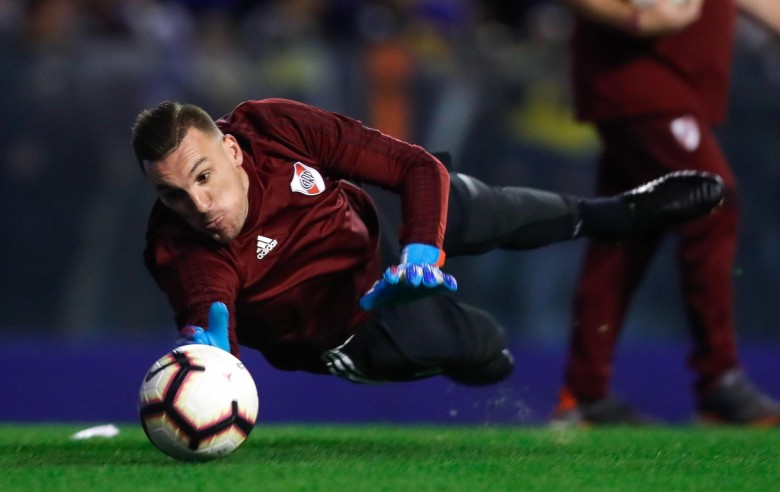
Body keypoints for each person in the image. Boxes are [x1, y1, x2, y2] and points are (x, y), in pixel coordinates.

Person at [132, 98, 722, 389]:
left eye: (203, 177)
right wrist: (209, 354)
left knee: (460, 205)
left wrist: (421, 251)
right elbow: (210, 308)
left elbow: (413, 167)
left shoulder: (274, 128)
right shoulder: (179, 246)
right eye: (175, 196)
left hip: (380, 251)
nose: (199, 207)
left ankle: (616, 213)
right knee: (484, 353)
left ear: (231, 150)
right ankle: (470, 349)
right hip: (349, 331)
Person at [554, 0, 780, 425]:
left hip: (669, 83)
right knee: (713, 201)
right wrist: (628, 15)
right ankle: (719, 379)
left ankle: (584, 394)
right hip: (639, 78)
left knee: (624, 234)